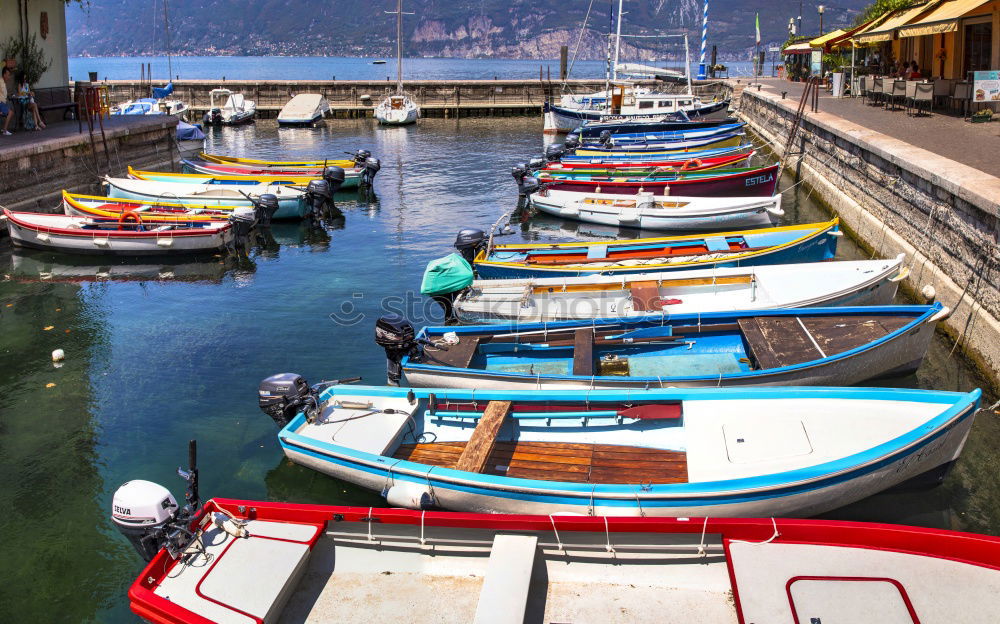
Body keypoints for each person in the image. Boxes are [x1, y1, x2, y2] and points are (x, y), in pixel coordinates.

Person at [0, 66, 13, 135]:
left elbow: (3, 94)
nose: (9, 77)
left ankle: (4, 129)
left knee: (10, 111)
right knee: (10, 112)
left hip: (3, 103)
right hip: (0, 103)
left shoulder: (4, 83)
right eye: (8, 75)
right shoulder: (0, 81)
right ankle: (4, 130)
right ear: (4, 74)